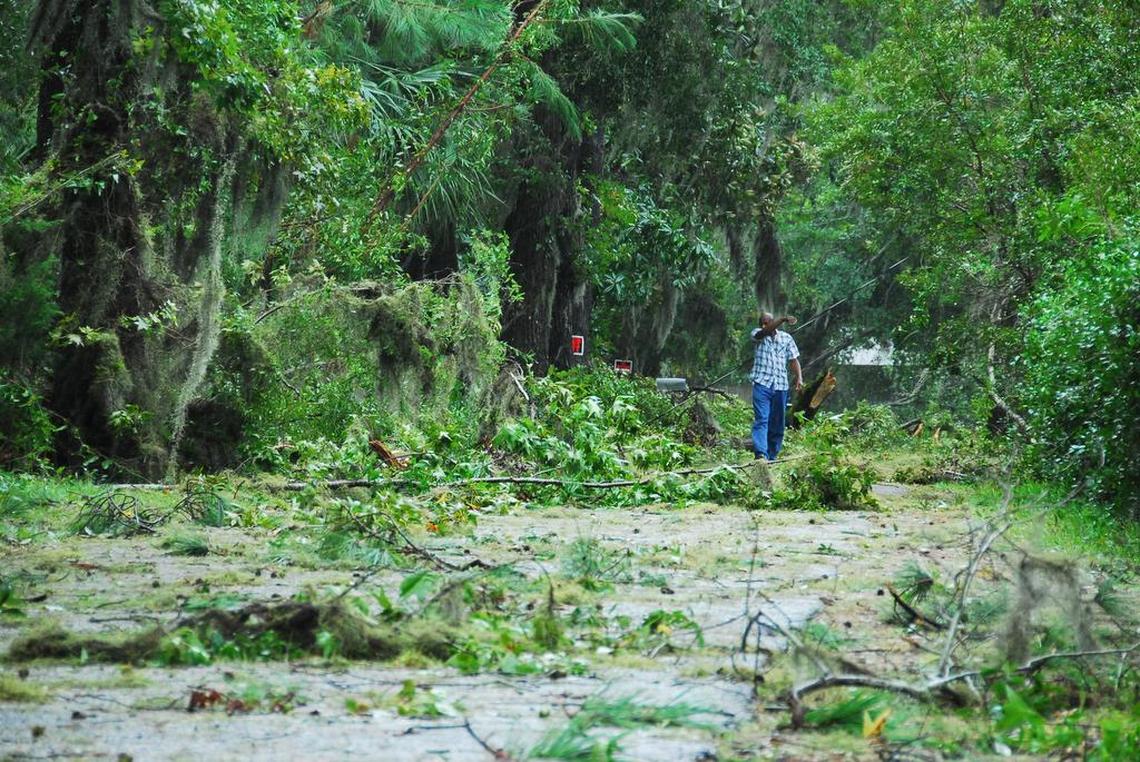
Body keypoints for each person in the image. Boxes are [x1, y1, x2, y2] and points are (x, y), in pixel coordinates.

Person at [749, 312, 803, 461]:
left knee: (778, 422)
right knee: (762, 419)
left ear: (773, 322)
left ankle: (772, 456)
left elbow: (793, 360)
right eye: (763, 323)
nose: (765, 325)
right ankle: (761, 454)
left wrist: (799, 377)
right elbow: (763, 332)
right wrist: (783, 319)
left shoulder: (786, 338)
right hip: (762, 384)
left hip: (781, 386)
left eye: (768, 322)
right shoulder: (757, 334)